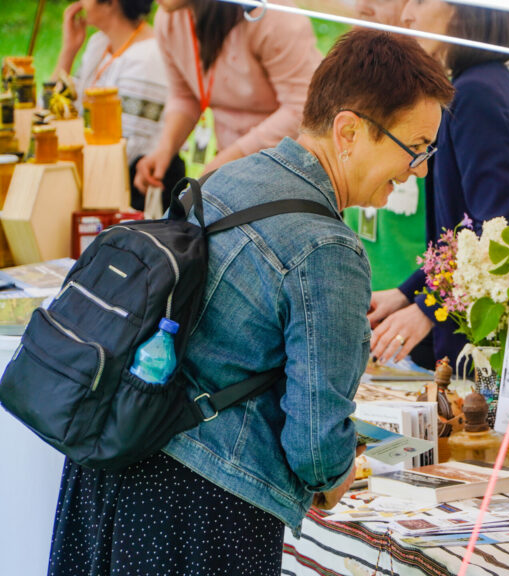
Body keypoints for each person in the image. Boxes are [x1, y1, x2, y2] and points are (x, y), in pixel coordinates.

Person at [47, 29, 454, 576]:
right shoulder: (328, 249)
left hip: (110, 467)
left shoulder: (229, 179)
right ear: (349, 131)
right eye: (415, 149)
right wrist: (335, 478)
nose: (421, 169)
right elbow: (315, 441)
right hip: (198, 511)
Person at [368, 1, 509, 367]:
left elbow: (501, 235)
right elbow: (465, 236)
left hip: (483, 346)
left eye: (419, 0)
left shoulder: (476, 95)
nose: (406, 15)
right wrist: (406, 293)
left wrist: (427, 310)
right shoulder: (483, 84)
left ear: (465, 9)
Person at [133, 0, 321, 194]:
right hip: (232, 174)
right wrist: (165, 150)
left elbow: (303, 107)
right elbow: (184, 96)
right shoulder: (169, 19)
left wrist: (230, 159)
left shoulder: (273, 16)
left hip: (293, 175)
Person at [53, 0, 181, 211]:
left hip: (133, 188)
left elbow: (126, 149)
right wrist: (68, 51)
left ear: (110, 3)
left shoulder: (148, 57)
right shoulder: (99, 44)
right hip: (99, 173)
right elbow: (57, 111)